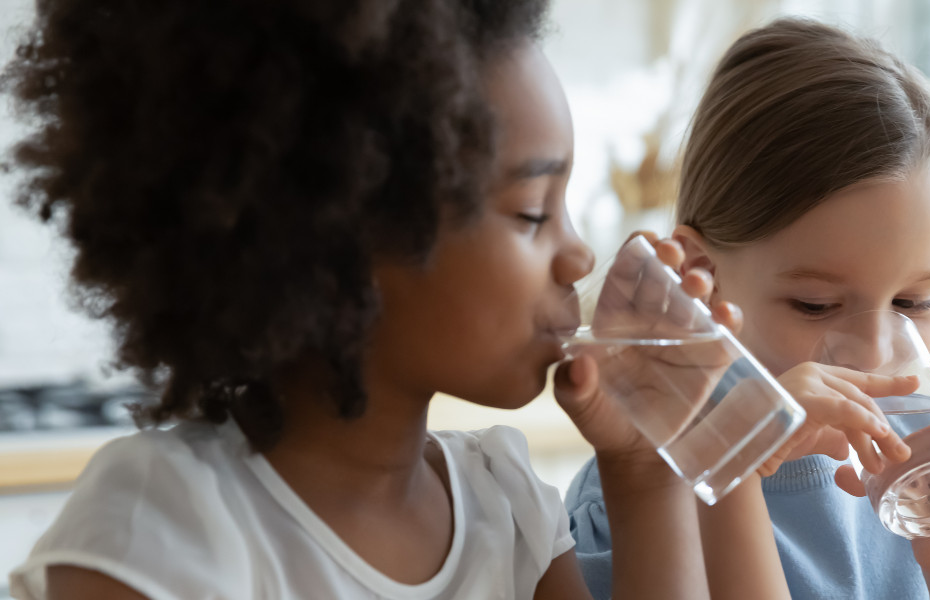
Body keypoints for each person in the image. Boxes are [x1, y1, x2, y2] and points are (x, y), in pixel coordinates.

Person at [1, 1, 746, 598]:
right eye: (531, 213)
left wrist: (644, 470)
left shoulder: (505, 509)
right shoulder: (169, 528)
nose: (580, 254)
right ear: (344, 236)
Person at [565, 18, 930, 600]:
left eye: (914, 301)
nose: (876, 352)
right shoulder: (640, 503)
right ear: (697, 277)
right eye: (816, 305)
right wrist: (734, 454)